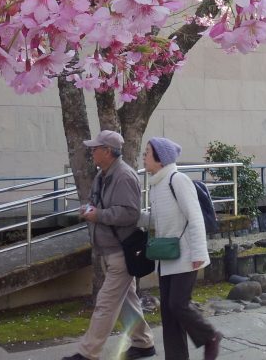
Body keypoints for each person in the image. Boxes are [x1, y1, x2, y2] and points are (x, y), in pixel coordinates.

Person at [62, 130, 156, 360]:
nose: (92, 151)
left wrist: (99, 215)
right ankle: (144, 344)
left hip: (120, 251)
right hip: (110, 250)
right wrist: (88, 210)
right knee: (126, 301)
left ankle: (88, 353)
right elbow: (98, 204)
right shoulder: (103, 174)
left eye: (95, 148)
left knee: (106, 303)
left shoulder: (124, 176)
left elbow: (131, 214)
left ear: (107, 151)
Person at [141, 137, 222, 360]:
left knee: (178, 304)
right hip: (166, 258)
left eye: (147, 152)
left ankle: (210, 336)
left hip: (186, 255)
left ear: (160, 158)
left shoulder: (177, 180)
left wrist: (198, 253)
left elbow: (195, 217)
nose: (143, 157)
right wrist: (132, 217)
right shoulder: (157, 184)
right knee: (168, 313)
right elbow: (157, 220)